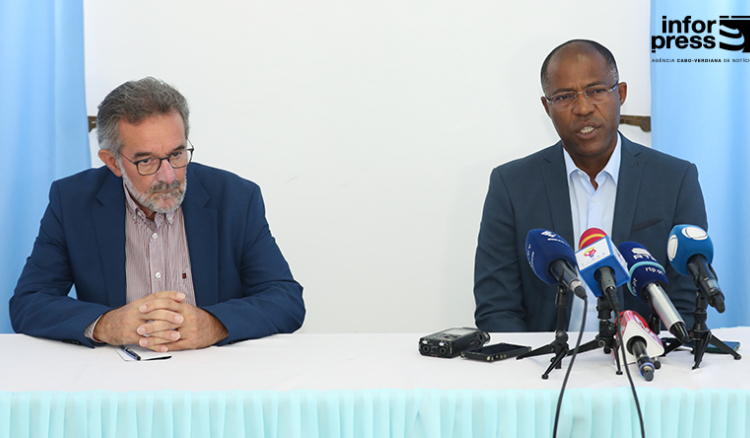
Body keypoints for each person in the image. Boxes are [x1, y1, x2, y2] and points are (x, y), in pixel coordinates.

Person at [10, 77, 305, 351]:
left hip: (215, 375)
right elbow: (29, 303)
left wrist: (214, 324)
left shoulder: (235, 198)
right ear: (113, 162)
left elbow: (285, 300)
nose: (168, 176)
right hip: (116, 377)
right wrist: (106, 324)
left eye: (177, 154)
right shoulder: (72, 202)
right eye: (147, 160)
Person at [473, 40, 707, 332]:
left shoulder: (674, 179)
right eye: (564, 96)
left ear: (620, 94)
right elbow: (496, 306)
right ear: (547, 108)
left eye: (596, 91)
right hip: (544, 364)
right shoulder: (511, 185)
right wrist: (528, 370)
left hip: (645, 360)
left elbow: (685, 299)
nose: (582, 108)